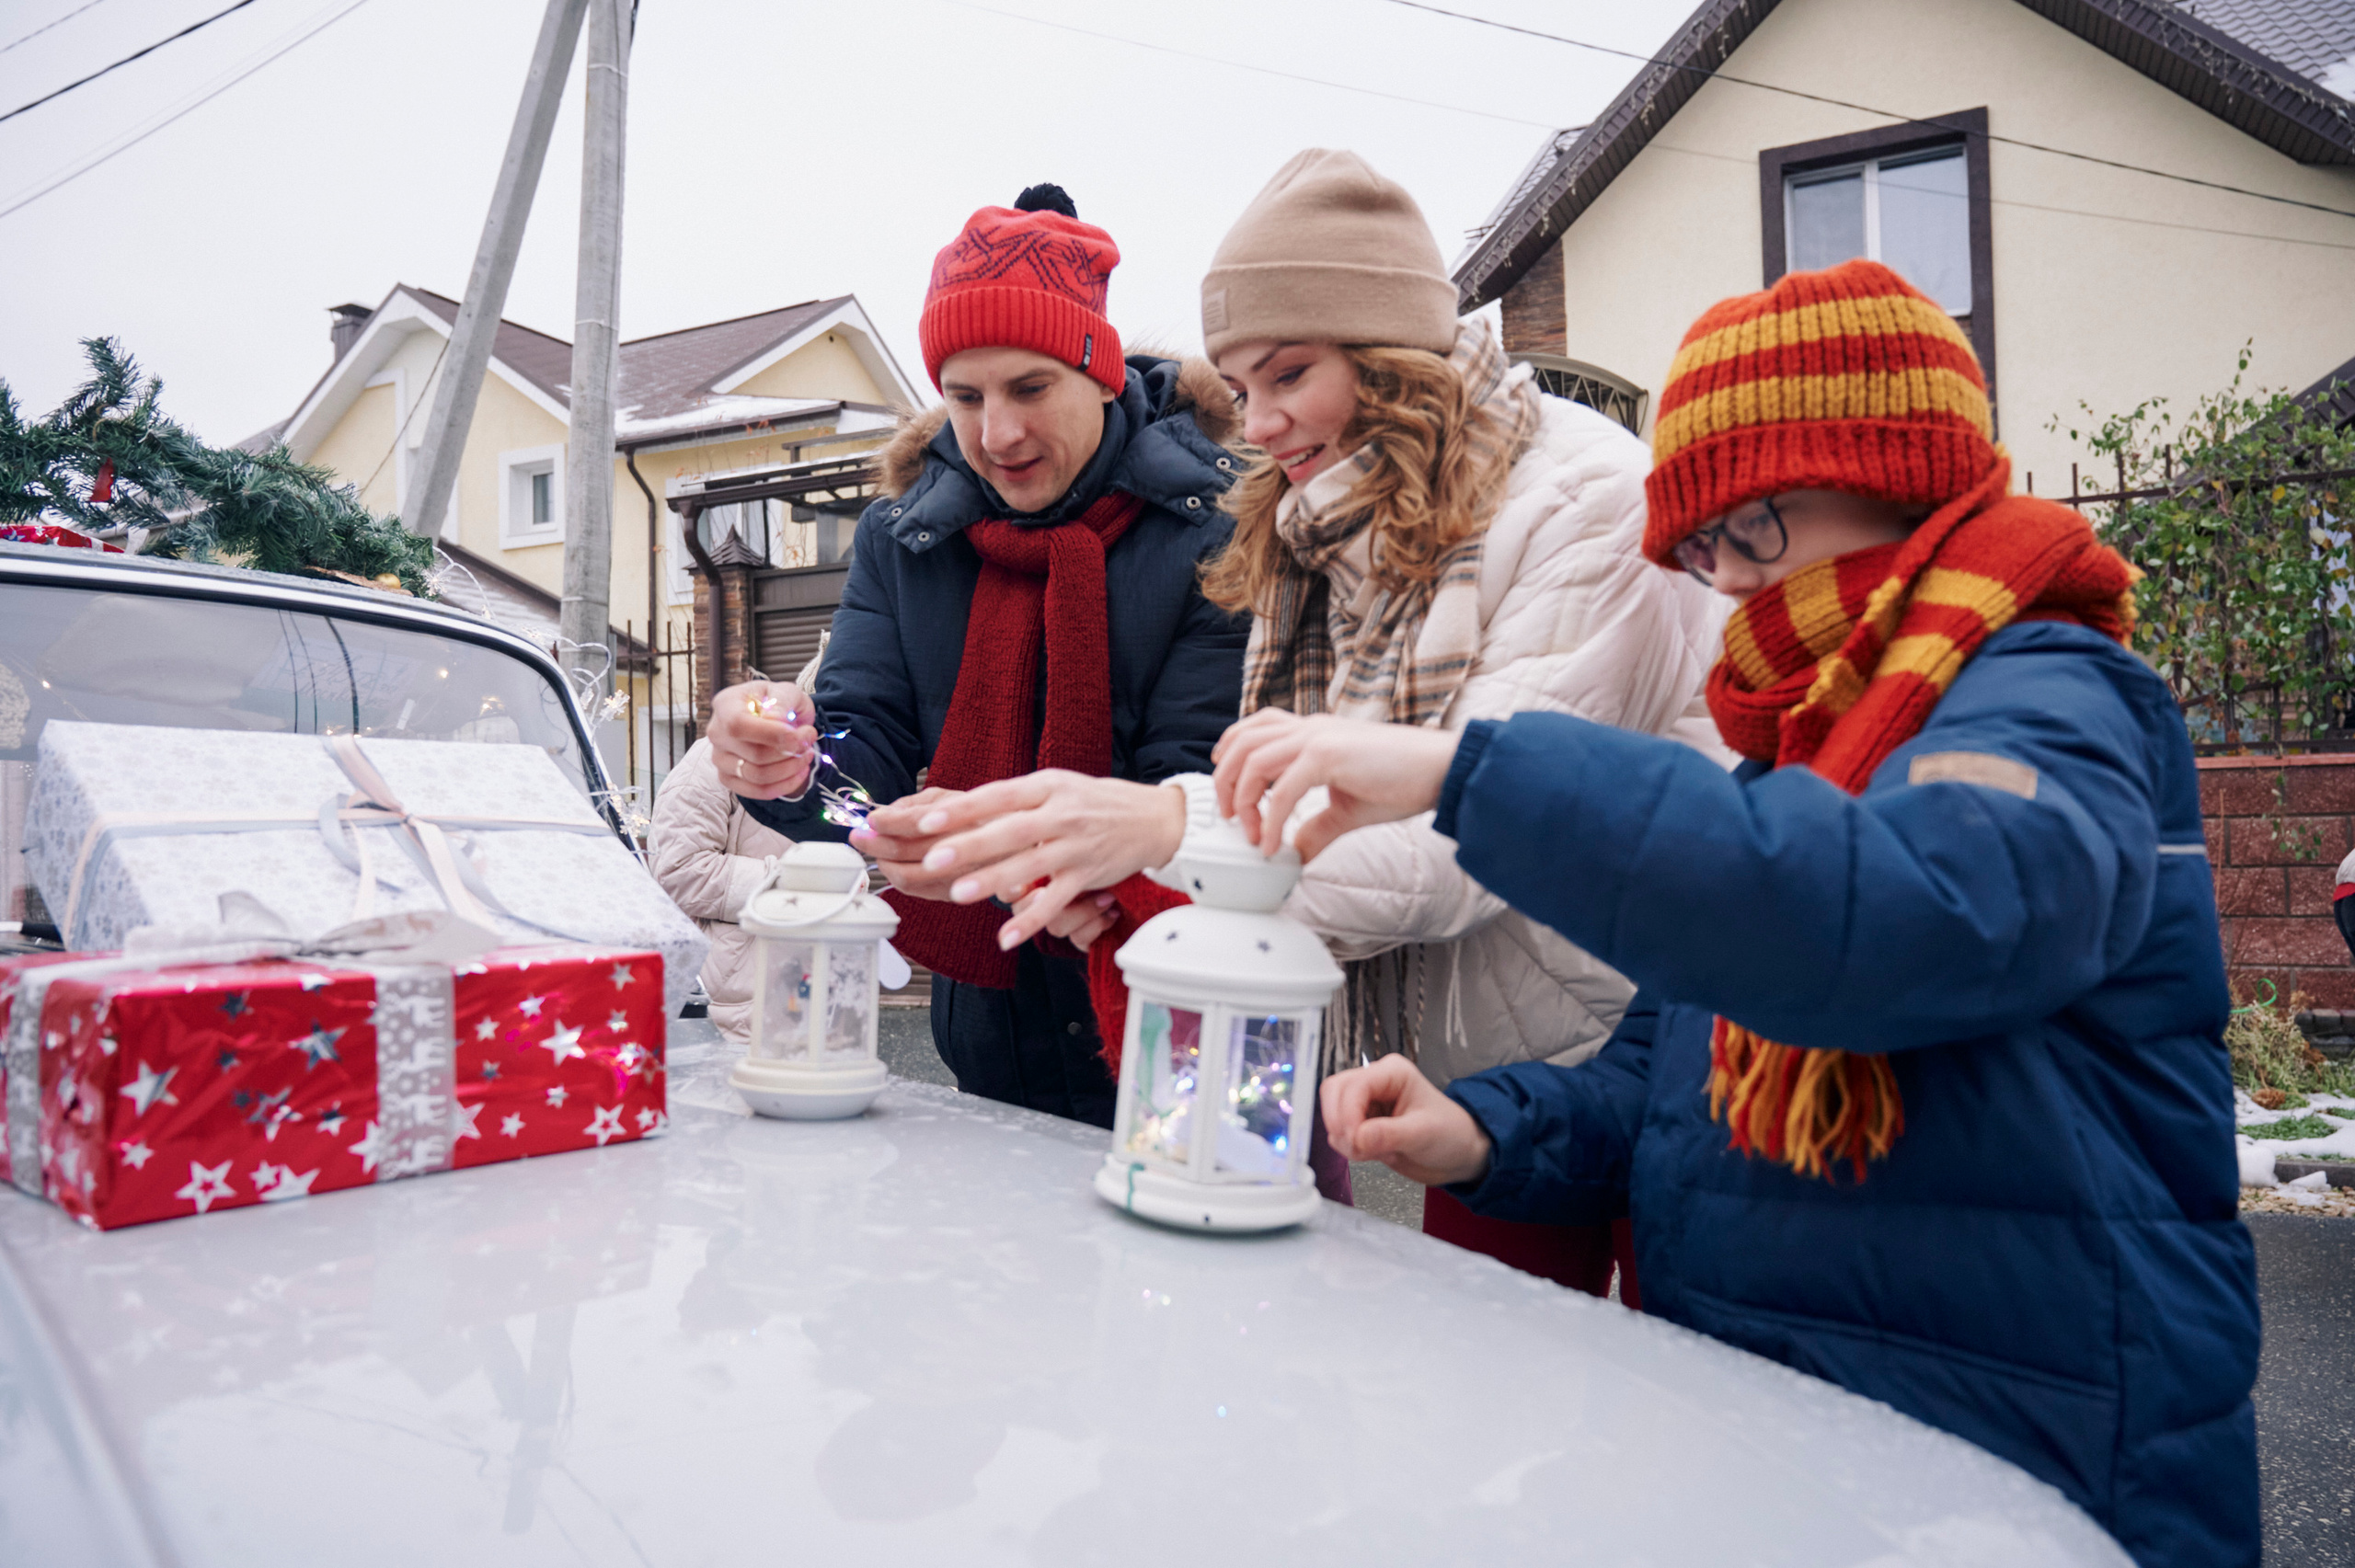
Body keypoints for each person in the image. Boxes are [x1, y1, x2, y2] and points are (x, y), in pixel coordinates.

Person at [1209, 260, 2260, 1566]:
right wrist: (1485, 1126)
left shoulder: (2051, 690)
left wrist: (1469, 770)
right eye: (1696, 551)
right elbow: (1673, 1077)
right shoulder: (1794, 754)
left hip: (2034, 1458)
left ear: (1888, 478)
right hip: (1801, 1444)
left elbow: (1916, 915)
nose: (1723, 588)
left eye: (1745, 534)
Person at [868, 149, 1729, 1299]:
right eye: (1239, 378)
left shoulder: (1585, 501)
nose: (1260, 419)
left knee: (1662, 1413)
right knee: (1483, 1404)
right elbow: (1279, 789)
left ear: (1388, 352)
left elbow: (1472, 835)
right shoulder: (1316, 520)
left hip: (1636, 1050)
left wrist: (1158, 843)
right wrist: (1107, 871)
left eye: (1290, 373)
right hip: (1466, 1063)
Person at [703, 184, 1247, 1129]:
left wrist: (1001, 838)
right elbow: (855, 771)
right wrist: (787, 762)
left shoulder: (1215, 529)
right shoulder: (904, 541)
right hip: (987, 1029)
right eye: (964, 395)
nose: (997, 433)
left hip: (1184, 1019)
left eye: (1029, 388)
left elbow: (1189, 796)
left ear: (1101, 372)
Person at [647, 737, 795, 1046]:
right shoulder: (719, 755)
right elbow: (678, 869)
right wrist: (794, 883)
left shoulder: (840, 768)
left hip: (814, 983)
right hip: (737, 994)